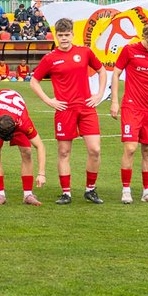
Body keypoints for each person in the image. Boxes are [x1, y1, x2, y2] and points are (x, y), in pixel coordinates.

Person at [29, 17, 108, 205]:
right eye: (60, 35)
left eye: (67, 35)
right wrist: (49, 100)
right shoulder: (50, 58)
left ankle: (90, 190)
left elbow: (102, 71)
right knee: (64, 152)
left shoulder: (84, 52)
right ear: (56, 36)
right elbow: (34, 81)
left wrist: (99, 94)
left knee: (95, 149)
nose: (64, 38)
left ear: (72, 34)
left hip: (86, 108)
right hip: (65, 110)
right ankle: (66, 193)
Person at [111, 24, 148, 204]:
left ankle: (147, 192)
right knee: (130, 148)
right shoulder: (129, 50)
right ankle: (126, 190)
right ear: (144, 37)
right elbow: (116, 73)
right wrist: (114, 101)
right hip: (131, 107)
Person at [0, 88, 45, 205]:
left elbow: (40, 146)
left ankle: (28, 195)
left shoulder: (24, 122)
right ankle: (0, 195)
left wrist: (41, 174)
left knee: (27, 152)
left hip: (15, 116)